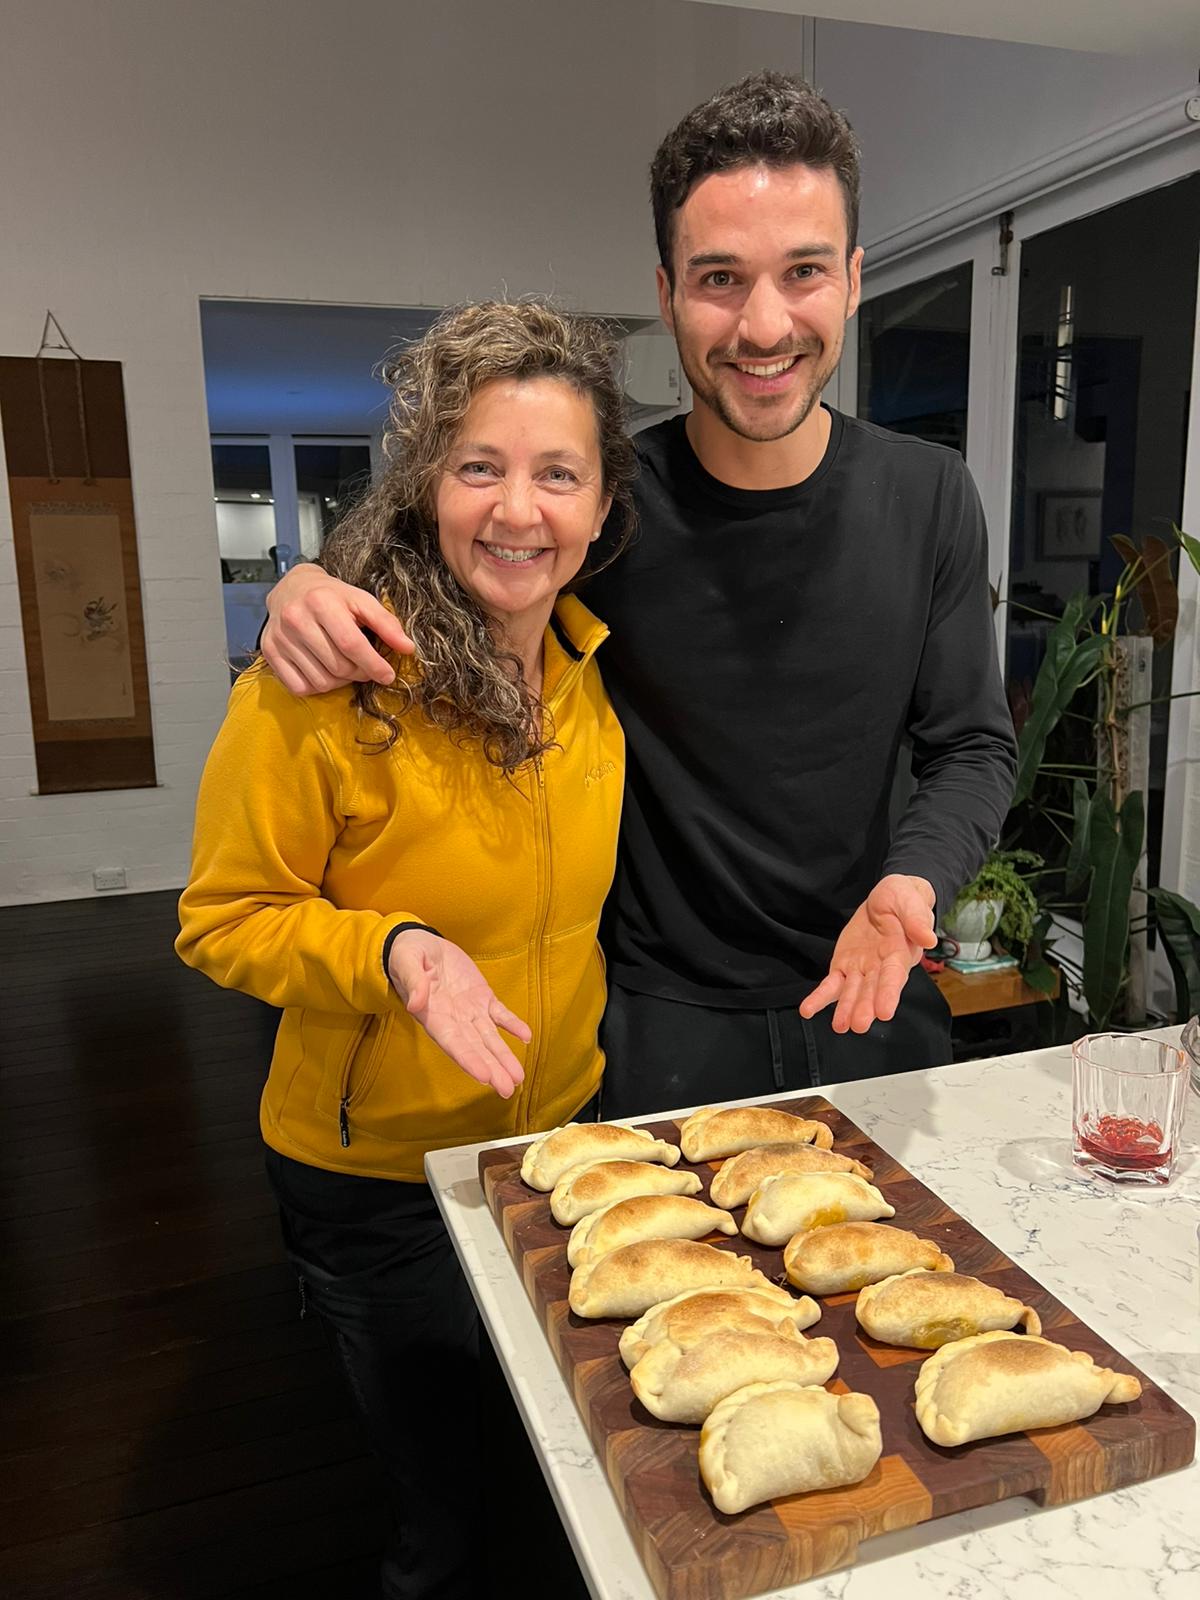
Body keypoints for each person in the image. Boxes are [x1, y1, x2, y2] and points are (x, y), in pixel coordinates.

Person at [260, 71, 1018, 1117]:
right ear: (665, 294)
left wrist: (915, 881)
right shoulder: (606, 506)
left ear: (850, 280)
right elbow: (434, 559)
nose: (762, 325)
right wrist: (297, 583)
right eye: (719, 278)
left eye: (801, 271)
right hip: (657, 1027)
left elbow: (973, 743)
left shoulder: (930, 494)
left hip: (874, 995)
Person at [177, 299, 635, 1599]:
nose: (517, 510)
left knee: (562, 1471)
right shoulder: (323, 683)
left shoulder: (592, 669)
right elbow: (221, 916)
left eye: (558, 473)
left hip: (558, 1140)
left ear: (600, 508)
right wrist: (397, 955)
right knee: (444, 1519)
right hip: (381, 1177)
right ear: (429, 483)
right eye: (479, 465)